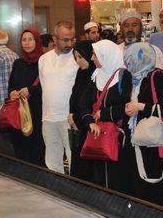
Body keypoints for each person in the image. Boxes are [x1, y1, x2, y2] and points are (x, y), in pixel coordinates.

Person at [125, 42, 163, 210]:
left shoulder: (156, 76)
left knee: (158, 181)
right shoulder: (138, 79)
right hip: (145, 139)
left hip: (155, 141)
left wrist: (139, 106)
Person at [77, 40, 133, 191]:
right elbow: (83, 103)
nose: (92, 58)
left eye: (95, 54)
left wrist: (105, 114)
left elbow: (128, 105)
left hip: (117, 138)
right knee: (99, 175)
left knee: (117, 177)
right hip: (98, 135)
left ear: (106, 55)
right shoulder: (96, 75)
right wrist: (89, 121)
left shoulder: (124, 76)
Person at [38, 21, 79, 173]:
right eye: (65, 39)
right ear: (55, 39)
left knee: (74, 158)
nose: (70, 43)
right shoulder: (43, 59)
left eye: (72, 39)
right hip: (48, 117)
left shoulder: (77, 58)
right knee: (52, 161)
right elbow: (44, 87)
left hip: (69, 118)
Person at [8, 29, 46, 167]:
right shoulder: (18, 63)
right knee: (20, 144)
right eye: (24, 40)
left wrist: (31, 90)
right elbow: (11, 85)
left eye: (30, 39)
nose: (27, 43)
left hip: (37, 111)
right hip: (20, 112)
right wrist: (12, 92)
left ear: (37, 41)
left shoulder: (44, 61)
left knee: (37, 145)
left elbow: (48, 85)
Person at [68, 39, 97, 181]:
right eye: (75, 58)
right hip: (78, 127)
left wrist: (77, 118)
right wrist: (71, 115)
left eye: (80, 57)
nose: (78, 61)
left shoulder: (96, 74)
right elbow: (75, 97)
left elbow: (91, 103)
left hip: (89, 126)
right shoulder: (81, 73)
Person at [118, 10, 163, 75]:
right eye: (126, 25)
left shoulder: (154, 51)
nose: (130, 29)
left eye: (134, 25)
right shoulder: (115, 52)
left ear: (141, 28)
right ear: (121, 29)